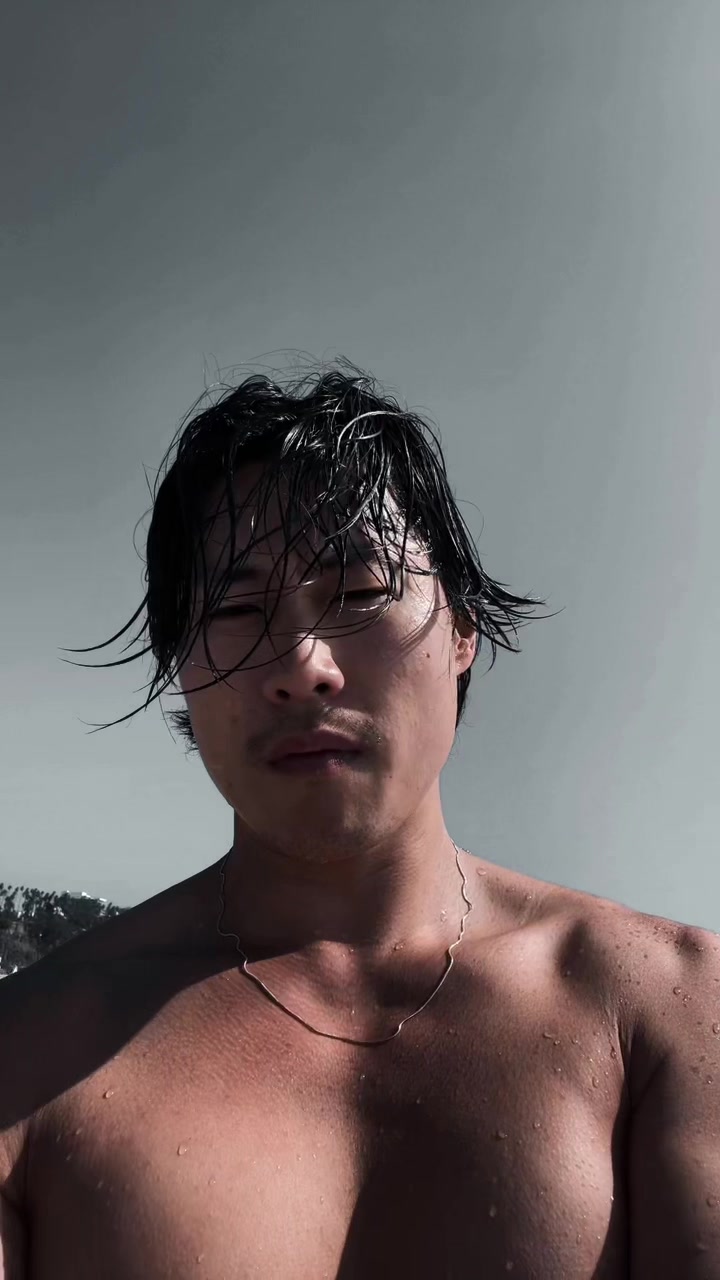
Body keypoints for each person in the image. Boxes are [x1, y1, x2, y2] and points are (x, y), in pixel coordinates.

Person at [1, 360, 718, 1278]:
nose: (303, 663)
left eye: (359, 593)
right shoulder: (29, 1056)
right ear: (183, 666)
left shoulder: (672, 1009)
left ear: (462, 630)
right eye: (237, 607)